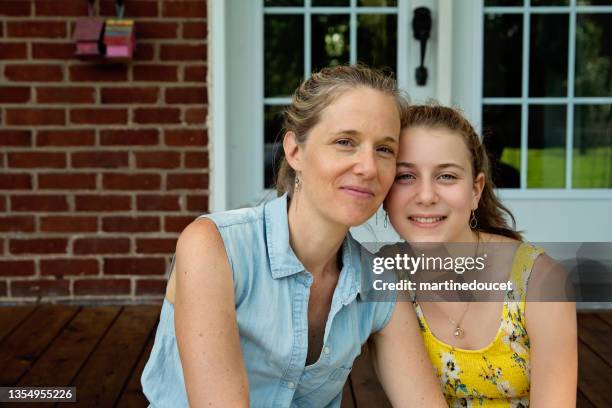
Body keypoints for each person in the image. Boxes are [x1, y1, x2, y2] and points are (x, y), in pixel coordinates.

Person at [141, 65, 446, 407]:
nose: (368, 167)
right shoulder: (215, 247)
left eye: (384, 149)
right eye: (345, 142)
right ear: (294, 151)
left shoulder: (380, 282)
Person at [384, 104, 577, 407]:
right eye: (405, 176)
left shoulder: (540, 280)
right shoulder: (386, 276)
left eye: (446, 176)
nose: (425, 196)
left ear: (476, 190)